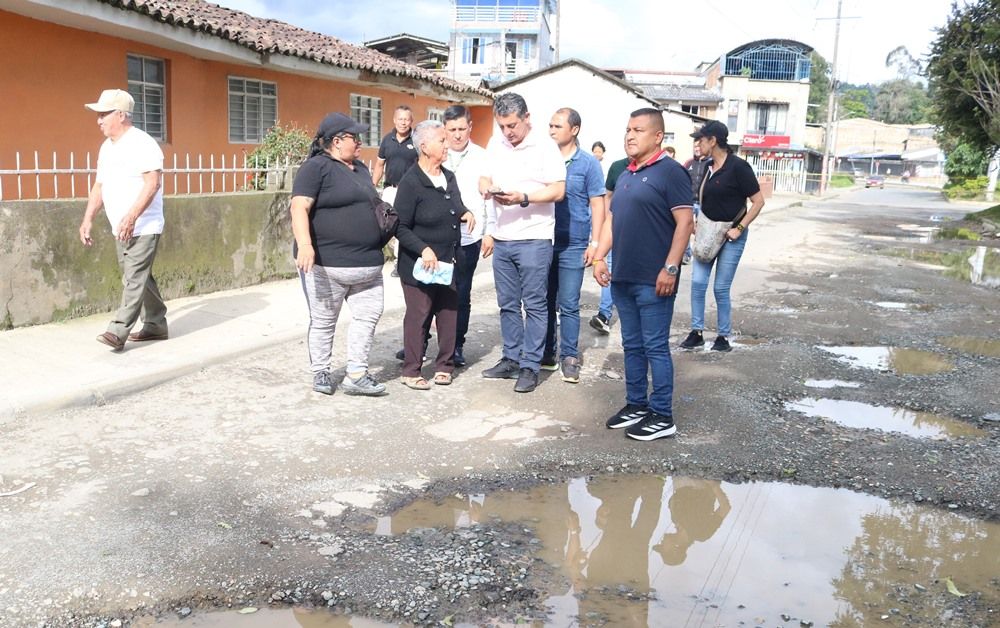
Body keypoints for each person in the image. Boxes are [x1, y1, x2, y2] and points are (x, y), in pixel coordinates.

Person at [593, 108, 693, 441]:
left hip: (656, 279)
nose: (630, 136)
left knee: (655, 347)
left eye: (637, 130)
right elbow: (611, 221)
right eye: (627, 129)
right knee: (632, 346)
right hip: (623, 277)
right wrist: (600, 257)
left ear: (657, 136)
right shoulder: (625, 174)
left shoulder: (671, 173)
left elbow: (685, 223)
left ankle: (662, 415)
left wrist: (671, 267)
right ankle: (636, 404)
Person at [290, 112, 388, 397]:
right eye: (354, 137)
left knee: (367, 318)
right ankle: (321, 370)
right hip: (326, 265)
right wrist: (306, 245)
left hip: (367, 266)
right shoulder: (315, 168)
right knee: (323, 321)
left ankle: (356, 374)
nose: (360, 142)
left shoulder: (358, 168)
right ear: (335, 141)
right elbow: (299, 208)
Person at [478, 92, 566, 393]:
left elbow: (558, 190)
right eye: (502, 126)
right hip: (502, 237)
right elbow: (483, 178)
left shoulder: (545, 147)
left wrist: (524, 198)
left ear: (527, 118)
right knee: (507, 305)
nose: (507, 132)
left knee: (536, 305)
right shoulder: (495, 143)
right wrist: (488, 188)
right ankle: (510, 359)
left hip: (534, 238)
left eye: (512, 125)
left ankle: (531, 366)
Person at [78, 89, 168, 352]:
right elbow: (99, 187)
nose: (99, 120)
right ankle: (156, 324)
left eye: (104, 114)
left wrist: (131, 217)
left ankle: (118, 331)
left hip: (144, 224)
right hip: (121, 226)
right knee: (139, 276)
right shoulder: (106, 148)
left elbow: (153, 183)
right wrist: (88, 220)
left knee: (133, 276)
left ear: (121, 115)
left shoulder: (142, 143)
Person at [393, 120, 476, 389]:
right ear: (425, 146)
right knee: (419, 315)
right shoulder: (411, 182)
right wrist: (423, 248)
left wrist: (466, 212)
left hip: (448, 259)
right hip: (420, 263)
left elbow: (455, 204)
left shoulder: (448, 176)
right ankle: (411, 370)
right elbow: (400, 226)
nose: (447, 144)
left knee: (448, 314)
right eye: (442, 140)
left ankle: (445, 366)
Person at [679, 120, 765, 353]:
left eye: (701, 140)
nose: (698, 144)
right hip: (708, 232)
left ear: (713, 141)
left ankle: (722, 336)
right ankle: (696, 332)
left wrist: (740, 228)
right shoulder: (706, 166)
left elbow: (758, 202)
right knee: (697, 283)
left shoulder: (739, 167)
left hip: (731, 237)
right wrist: (699, 219)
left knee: (720, 288)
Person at [543, 108, 606, 383]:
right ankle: (545, 351)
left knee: (568, 303)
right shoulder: (543, 158)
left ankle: (569, 355)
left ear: (575, 129)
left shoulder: (588, 163)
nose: (552, 130)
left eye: (558, 126)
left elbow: (598, 204)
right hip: (542, 240)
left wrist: (595, 243)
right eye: (550, 125)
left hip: (574, 243)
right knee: (542, 301)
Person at [443, 105, 491, 367]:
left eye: (462, 129)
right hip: (438, 237)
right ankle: (422, 342)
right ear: (445, 130)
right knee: (431, 291)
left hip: (468, 237)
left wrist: (489, 233)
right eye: (452, 130)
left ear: (470, 128)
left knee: (461, 293)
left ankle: (456, 345)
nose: (458, 135)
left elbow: (490, 199)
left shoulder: (482, 157)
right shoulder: (436, 152)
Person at [371, 105, 417, 277]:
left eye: (406, 119)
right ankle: (375, 257)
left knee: (402, 225)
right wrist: (371, 187)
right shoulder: (387, 140)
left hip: (409, 192)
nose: (403, 123)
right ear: (394, 120)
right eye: (400, 119)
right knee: (383, 224)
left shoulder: (416, 141)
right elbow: (379, 165)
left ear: (411, 121)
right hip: (390, 189)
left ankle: (400, 262)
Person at [588, 155, 628, 335]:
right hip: (615, 228)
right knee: (609, 270)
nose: (631, 138)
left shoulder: (663, 169)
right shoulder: (618, 166)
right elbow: (608, 198)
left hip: (643, 235)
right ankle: (604, 315)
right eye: (628, 132)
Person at [682, 140, 709, 264]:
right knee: (685, 227)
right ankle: (686, 254)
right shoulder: (689, 163)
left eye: (699, 146)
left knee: (701, 229)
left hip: (703, 203)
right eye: (695, 146)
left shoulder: (710, 163)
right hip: (688, 201)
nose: (696, 148)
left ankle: (700, 253)